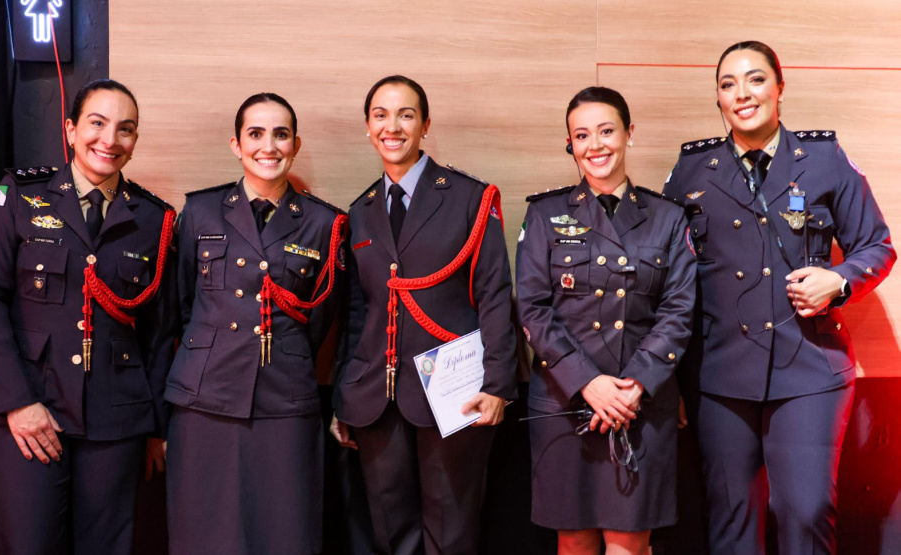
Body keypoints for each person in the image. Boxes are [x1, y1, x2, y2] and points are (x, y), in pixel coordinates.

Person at [663, 41, 896, 554]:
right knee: (731, 518)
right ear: (719, 99)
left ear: (780, 88)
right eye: (728, 84)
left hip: (810, 366)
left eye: (755, 79)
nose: (742, 94)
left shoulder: (824, 158)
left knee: (806, 511)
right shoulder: (690, 172)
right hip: (719, 373)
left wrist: (839, 281)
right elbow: (670, 276)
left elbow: (877, 245)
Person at [0, 79, 178, 555]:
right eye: (97, 124)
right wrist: (15, 401)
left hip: (116, 417)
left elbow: (159, 332)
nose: (109, 140)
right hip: (29, 409)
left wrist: (156, 427)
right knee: (26, 545)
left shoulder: (154, 219)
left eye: (125, 129)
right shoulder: (18, 196)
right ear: (70, 130)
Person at [330, 75, 517, 555]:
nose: (392, 127)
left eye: (406, 115)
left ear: (425, 124)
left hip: (454, 394)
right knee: (390, 532)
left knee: (451, 530)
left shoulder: (468, 198)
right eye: (381, 116)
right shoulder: (362, 209)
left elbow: (495, 294)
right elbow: (358, 313)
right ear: (368, 127)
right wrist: (345, 395)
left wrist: (497, 384)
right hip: (377, 397)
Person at [164, 92, 347, 555]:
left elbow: (320, 319)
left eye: (281, 134)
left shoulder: (324, 224)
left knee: (285, 532)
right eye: (256, 134)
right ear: (236, 144)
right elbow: (182, 307)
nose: (269, 146)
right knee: (204, 533)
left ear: (296, 145)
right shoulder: (200, 212)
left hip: (284, 396)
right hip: (204, 397)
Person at [515, 86, 695, 555]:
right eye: (581, 135)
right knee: (573, 541)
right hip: (564, 400)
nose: (595, 145)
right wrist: (588, 384)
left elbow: (678, 311)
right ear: (570, 145)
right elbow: (532, 308)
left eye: (606, 131)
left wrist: (633, 384)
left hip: (641, 403)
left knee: (630, 543)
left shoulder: (667, 217)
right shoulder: (545, 214)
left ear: (629, 134)